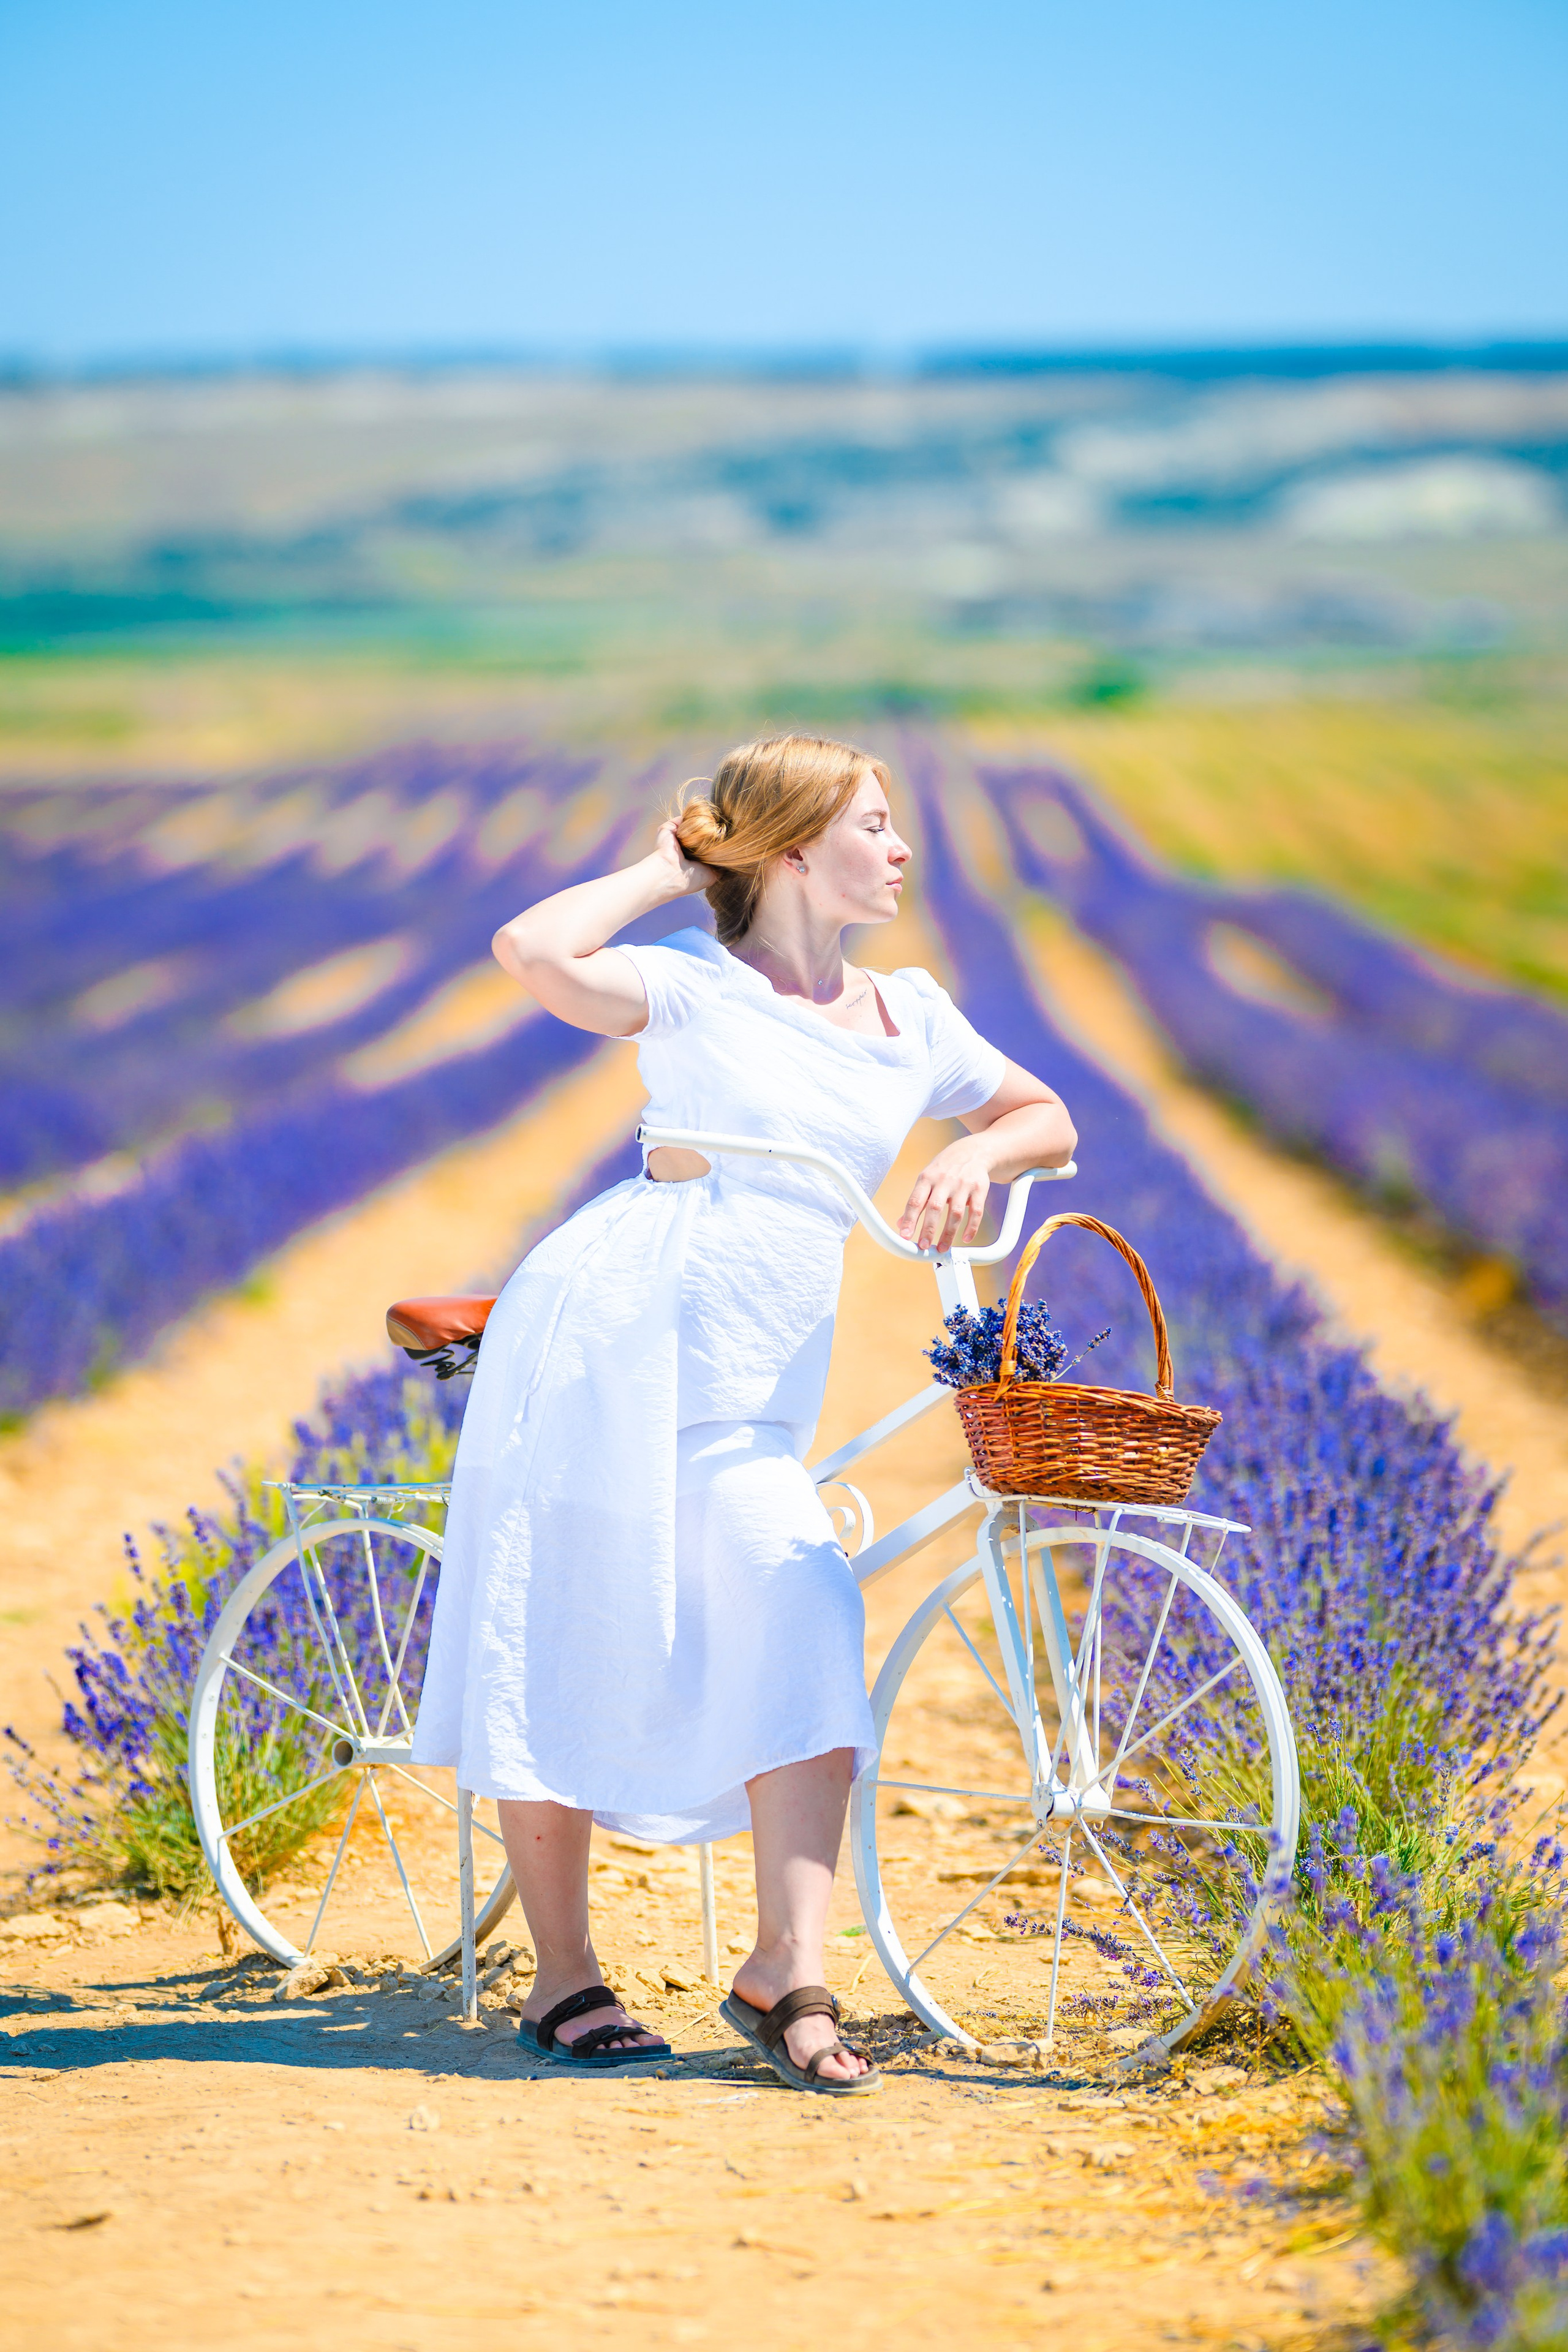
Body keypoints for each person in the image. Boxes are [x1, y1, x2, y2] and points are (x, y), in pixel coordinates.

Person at [410, 734, 1076, 2092]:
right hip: (617, 1339)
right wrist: (667, 866)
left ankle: (784, 1967)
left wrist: (976, 1143)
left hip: (755, 1386)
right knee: (574, 1615)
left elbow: (1044, 1115)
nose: (898, 850)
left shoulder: (910, 1013)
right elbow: (532, 952)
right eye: (873, 825)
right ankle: (561, 1977)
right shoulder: (692, 989)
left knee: (804, 1602)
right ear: (787, 851)